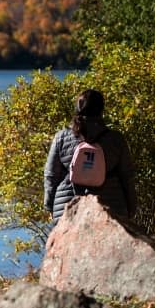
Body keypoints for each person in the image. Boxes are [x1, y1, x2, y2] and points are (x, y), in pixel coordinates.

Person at [44, 89, 137, 224]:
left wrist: (49, 206)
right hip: (111, 207)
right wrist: (131, 208)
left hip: (67, 207)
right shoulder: (115, 139)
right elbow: (127, 177)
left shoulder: (61, 137)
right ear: (101, 109)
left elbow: (51, 175)